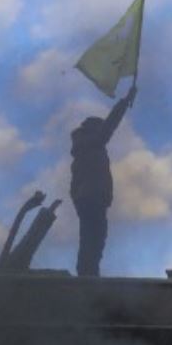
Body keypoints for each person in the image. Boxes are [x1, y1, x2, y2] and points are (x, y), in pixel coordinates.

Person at [69, 81, 136, 277]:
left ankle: (88, 274)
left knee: (92, 239)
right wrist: (124, 102)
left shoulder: (83, 150)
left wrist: (78, 200)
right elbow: (109, 126)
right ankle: (88, 276)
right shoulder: (92, 144)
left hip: (88, 199)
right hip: (92, 199)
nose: (102, 132)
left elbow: (72, 187)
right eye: (99, 128)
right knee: (95, 239)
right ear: (93, 130)